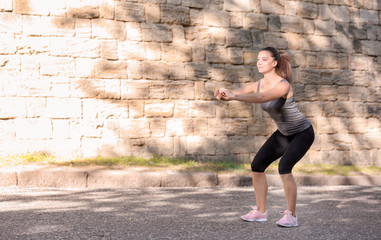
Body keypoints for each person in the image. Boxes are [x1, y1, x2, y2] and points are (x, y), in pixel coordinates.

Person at [214, 47, 314, 228]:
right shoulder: (257, 83)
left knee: (284, 167)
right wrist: (225, 93)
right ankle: (260, 212)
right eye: (258, 59)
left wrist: (234, 96)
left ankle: (291, 215)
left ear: (274, 63)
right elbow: (241, 90)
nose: (259, 62)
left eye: (264, 59)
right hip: (284, 133)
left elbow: (262, 97)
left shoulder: (283, 85)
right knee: (257, 165)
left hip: (302, 132)